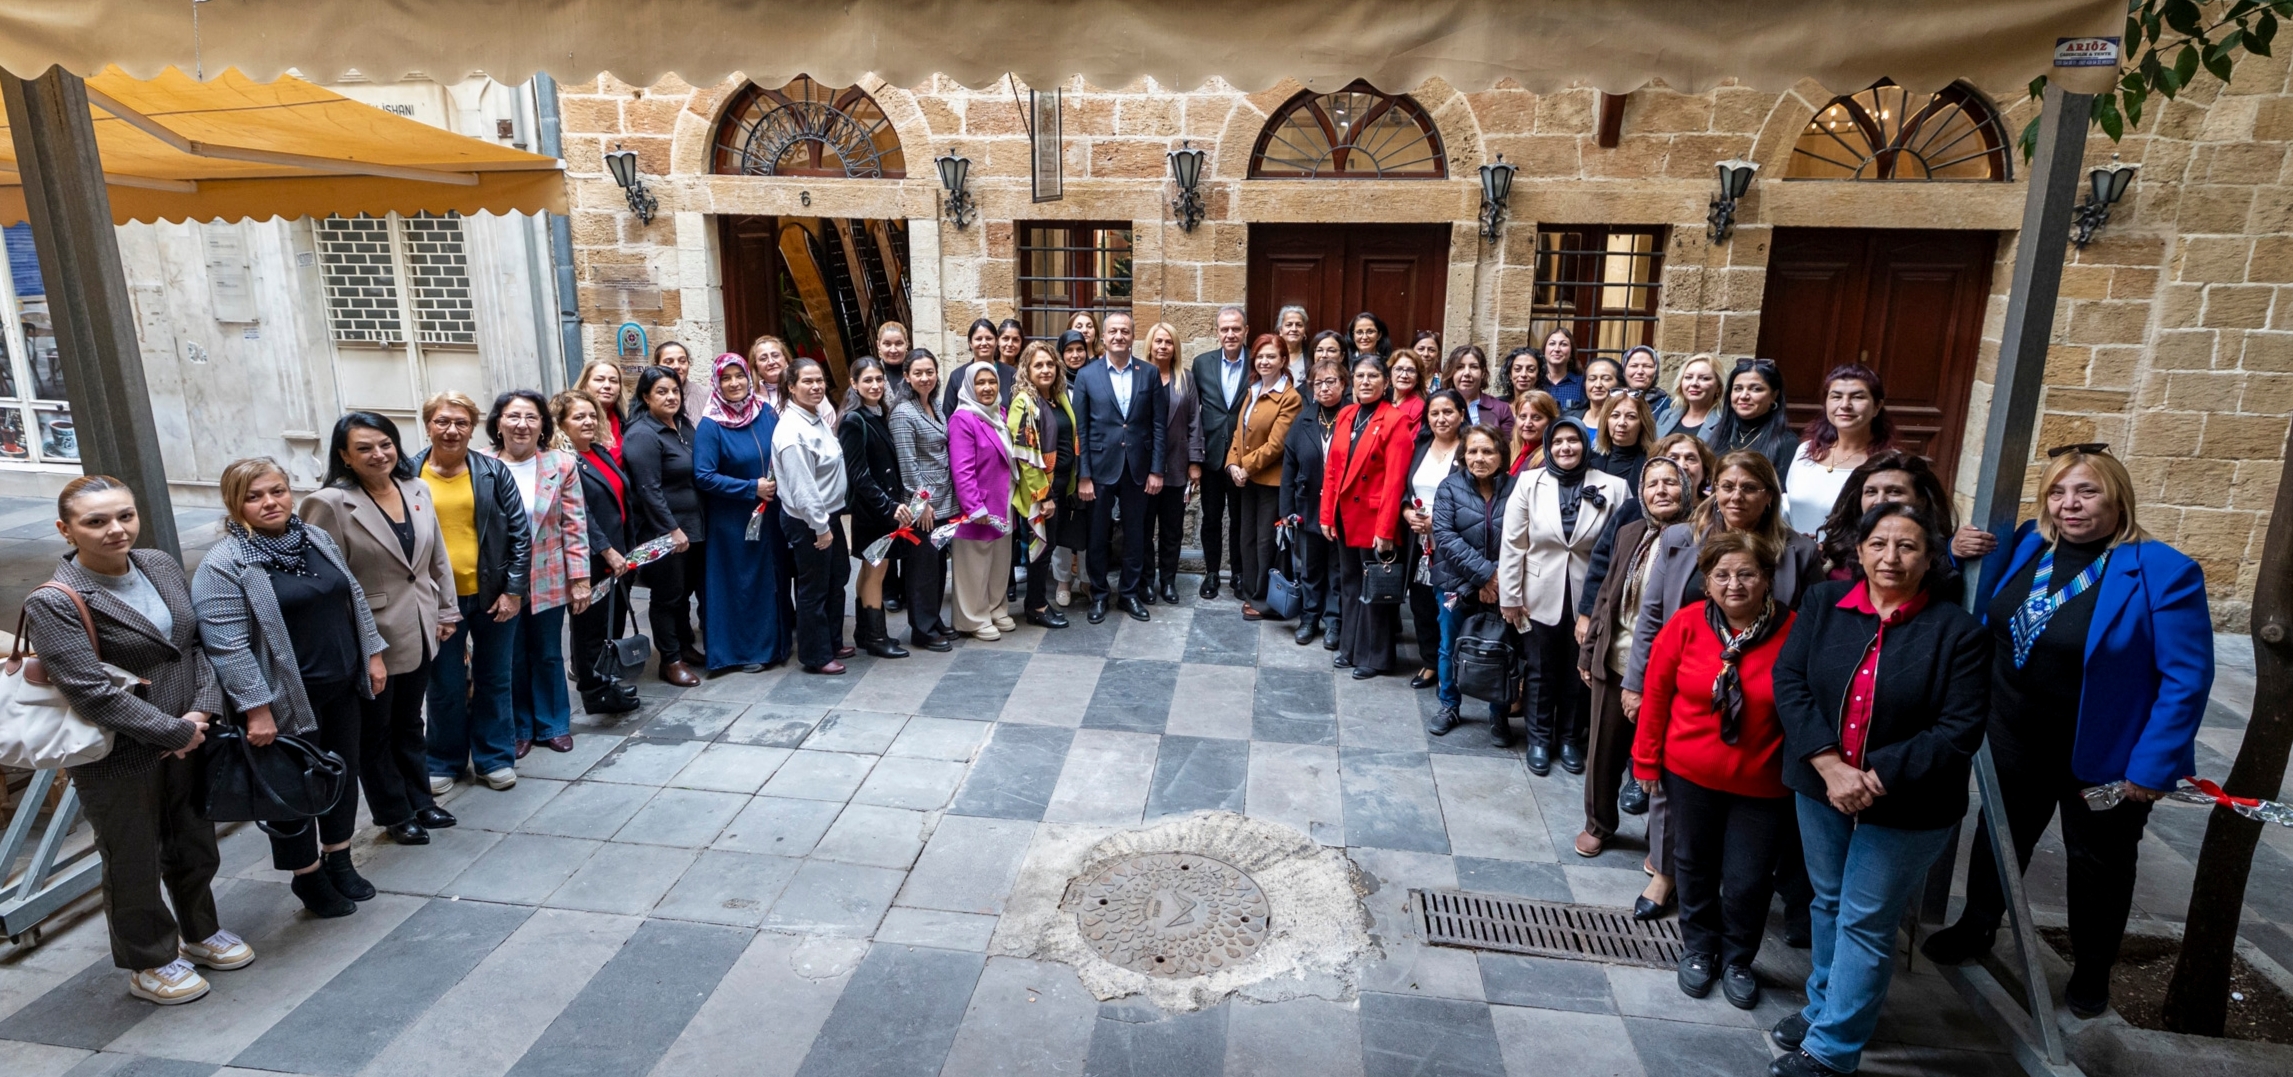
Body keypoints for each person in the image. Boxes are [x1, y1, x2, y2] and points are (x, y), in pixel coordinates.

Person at [1921, 446, 2213, 1019]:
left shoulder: (2163, 571)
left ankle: (2091, 968)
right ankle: (1978, 925)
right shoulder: (2032, 541)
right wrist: (1954, 554)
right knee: (2000, 837)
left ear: (2118, 497)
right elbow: (1983, 604)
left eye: (2086, 492)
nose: (2070, 504)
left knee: (2099, 863)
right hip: (2012, 733)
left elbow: (2186, 678)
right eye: (2058, 492)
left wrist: (2153, 768)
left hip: (2102, 754)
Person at [1769, 504, 1990, 1077]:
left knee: (1865, 919)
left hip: (1910, 803)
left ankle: (1832, 1050)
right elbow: (1789, 683)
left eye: (1908, 546)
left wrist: (1871, 777)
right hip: (1822, 787)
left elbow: (1958, 729)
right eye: (1880, 544)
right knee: (1829, 903)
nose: (1891, 557)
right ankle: (1825, 1009)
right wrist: (1829, 767)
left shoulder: (1958, 633)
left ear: (1932, 556)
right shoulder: (1822, 605)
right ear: (1860, 551)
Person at [31, 476, 238, 1004]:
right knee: (132, 858)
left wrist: (202, 712)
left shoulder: (158, 564)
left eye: (124, 516)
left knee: (194, 840)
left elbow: (194, 647)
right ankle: (149, 961)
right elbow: (90, 691)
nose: (115, 530)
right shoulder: (54, 601)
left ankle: (199, 931)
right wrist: (172, 731)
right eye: (96, 521)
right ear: (66, 529)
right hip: (117, 753)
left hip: (189, 732)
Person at [1624, 449, 1823, 941]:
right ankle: (1666, 878)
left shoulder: (1797, 551)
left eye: (1750, 487)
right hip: (1688, 685)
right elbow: (1653, 616)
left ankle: (1738, 940)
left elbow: (1810, 632)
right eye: (1727, 486)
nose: (1736, 496)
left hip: (1762, 706)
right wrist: (1635, 681)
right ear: (1713, 488)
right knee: (1680, 809)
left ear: (1769, 495)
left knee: (1745, 856)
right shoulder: (1679, 538)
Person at [194, 458, 389, 919]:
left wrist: (373, 654)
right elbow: (227, 647)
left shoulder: (313, 537)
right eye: (254, 496)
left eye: (277, 491)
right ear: (234, 503)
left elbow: (352, 595)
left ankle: (340, 858)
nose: (270, 503)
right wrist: (256, 709)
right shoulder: (224, 564)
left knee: (342, 773)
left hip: (341, 686)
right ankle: (307, 875)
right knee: (292, 789)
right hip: (283, 702)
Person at [1633, 532, 1796, 1009]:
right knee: (1694, 865)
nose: (1734, 585)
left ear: (1767, 578)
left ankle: (1739, 958)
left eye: (1747, 574)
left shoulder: (1794, 631)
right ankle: (1700, 948)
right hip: (1690, 774)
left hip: (1762, 782)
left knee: (1748, 877)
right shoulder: (1685, 625)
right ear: (1706, 582)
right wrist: (1645, 761)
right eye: (1722, 575)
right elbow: (1656, 696)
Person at [300, 413, 460, 845]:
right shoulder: (329, 503)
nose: (379, 454)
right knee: (377, 729)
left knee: (410, 721)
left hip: (422, 624)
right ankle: (394, 811)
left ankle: (421, 799)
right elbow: (324, 581)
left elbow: (436, 559)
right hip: (371, 633)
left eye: (386, 444)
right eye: (365, 448)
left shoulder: (417, 488)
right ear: (344, 456)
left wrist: (447, 611)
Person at [1574, 458, 1697, 902]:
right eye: (1651, 484)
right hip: (1617, 654)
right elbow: (1606, 594)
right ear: (1640, 492)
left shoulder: (1700, 541)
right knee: (1602, 751)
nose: (1660, 491)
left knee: (1660, 763)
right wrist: (1589, 651)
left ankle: (1660, 844)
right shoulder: (1630, 533)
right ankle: (1598, 823)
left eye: (1670, 483)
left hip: (1669, 670)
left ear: (1688, 488)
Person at [1499, 418, 1631, 775]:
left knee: (1580, 670)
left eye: (1574, 440)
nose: (1566, 448)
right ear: (1548, 446)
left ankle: (1570, 738)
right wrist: (1509, 596)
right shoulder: (1529, 482)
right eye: (1558, 442)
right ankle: (1539, 739)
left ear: (1585, 445)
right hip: (1537, 593)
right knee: (1540, 670)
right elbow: (1513, 542)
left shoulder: (1615, 487)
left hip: (1590, 597)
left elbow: (1623, 548)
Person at [412, 392, 530, 790]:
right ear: (428, 424)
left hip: (491, 594)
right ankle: (443, 760)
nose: (452, 430)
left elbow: (519, 534)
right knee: (443, 682)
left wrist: (513, 590)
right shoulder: (408, 475)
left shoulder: (492, 473)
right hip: (435, 600)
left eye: (461, 423)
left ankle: (494, 757)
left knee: (495, 677)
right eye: (443, 421)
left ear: (473, 427)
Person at [483, 390, 591, 758]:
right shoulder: (480, 464)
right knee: (510, 655)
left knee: (547, 652)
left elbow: (574, 525)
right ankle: (520, 727)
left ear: (543, 424)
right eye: (513, 416)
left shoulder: (560, 465)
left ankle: (553, 724)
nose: (522, 425)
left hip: (548, 574)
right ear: (498, 422)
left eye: (531, 417)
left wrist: (580, 580)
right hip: (499, 582)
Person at [1321, 356, 1417, 678]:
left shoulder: (1396, 420)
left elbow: (1395, 480)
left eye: (1373, 375)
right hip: (1344, 515)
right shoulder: (1347, 414)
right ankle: (1349, 648)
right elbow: (1333, 470)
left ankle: (1376, 657)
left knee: (1373, 588)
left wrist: (1386, 529)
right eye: (1360, 375)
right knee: (1349, 585)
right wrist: (1326, 515)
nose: (1365, 381)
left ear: (1385, 382)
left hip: (1375, 518)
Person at [1071, 311, 1167, 624]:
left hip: (1138, 468)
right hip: (1098, 469)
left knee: (1136, 535)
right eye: (1113, 331)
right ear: (1104, 337)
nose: (1118, 336)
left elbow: (1158, 426)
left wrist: (1156, 470)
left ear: (1132, 336)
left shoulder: (1149, 373)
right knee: (1097, 535)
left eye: (1124, 331)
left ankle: (1128, 594)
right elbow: (1081, 430)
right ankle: (1099, 595)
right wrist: (1083, 475)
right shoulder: (1088, 375)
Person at [1428, 425, 1515, 738]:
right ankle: (1449, 704)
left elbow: (1522, 538)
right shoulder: (1449, 488)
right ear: (1463, 455)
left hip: (1503, 586)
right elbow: (1446, 538)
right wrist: (1485, 575)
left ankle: (1499, 714)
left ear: (1501, 455)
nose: (1480, 458)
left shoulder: (1517, 489)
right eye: (1473, 451)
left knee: (1502, 646)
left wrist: (1497, 579)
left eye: (1488, 451)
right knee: (1449, 642)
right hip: (1454, 587)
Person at [556, 390, 639, 714]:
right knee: (589, 629)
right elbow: (579, 514)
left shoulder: (598, 452)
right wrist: (606, 551)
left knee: (610, 624)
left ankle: (608, 681)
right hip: (590, 560)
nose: (588, 421)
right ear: (561, 424)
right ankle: (594, 691)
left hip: (618, 555)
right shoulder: (566, 462)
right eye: (579, 416)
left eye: (592, 415)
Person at [622, 367, 706, 684]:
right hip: (664, 532)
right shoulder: (643, 434)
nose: (671, 397)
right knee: (667, 596)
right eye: (661, 391)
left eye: (674, 391)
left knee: (683, 593)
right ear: (645, 397)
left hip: (692, 526)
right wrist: (671, 529)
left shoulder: (682, 425)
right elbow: (648, 489)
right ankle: (669, 661)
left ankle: (683, 646)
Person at [774, 357, 854, 672]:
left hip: (828, 515)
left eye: (819, 380)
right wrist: (821, 527)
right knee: (814, 588)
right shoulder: (792, 431)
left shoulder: (815, 415)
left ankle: (832, 641)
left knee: (837, 578)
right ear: (791, 387)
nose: (816, 386)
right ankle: (816, 655)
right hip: (809, 522)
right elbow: (802, 488)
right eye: (807, 381)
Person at [840, 355, 915, 656]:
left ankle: (864, 630)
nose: (874, 385)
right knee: (876, 571)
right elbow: (858, 474)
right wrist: (889, 506)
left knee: (873, 570)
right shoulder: (853, 420)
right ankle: (876, 637)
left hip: (881, 509)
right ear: (853, 384)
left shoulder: (878, 413)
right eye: (867, 380)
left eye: (879, 379)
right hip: (873, 512)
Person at [1225, 333, 1302, 620]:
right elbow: (1238, 433)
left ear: (1283, 360)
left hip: (1271, 483)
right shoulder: (1253, 389)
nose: (1265, 361)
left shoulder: (1290, 398)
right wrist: (1232, 465)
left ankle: (1264, 600)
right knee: (1246, 538)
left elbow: (1276, 445)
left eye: (1272, 356)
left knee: (1265, 542)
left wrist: (1244, 467)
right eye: (1260, 356)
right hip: (1246, 481)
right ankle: (1250, 591)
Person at [890, 350, 957, 651]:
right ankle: (922, 629)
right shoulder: (903, 412)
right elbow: (907, 464)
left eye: (930, 371)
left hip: (944, 499)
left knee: (938, 564)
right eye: (918, 373)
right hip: (923, 505)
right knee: (921, 568)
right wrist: (922, 503)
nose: (925, 377)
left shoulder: (935, 405)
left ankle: (934, 619)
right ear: (906, 376)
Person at [947, 360, 1018, 639]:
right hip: (978, 506)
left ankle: (996, 608)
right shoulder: (963, 418)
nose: (987, 387)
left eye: (992, 382)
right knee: (973, 566)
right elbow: (961, 469)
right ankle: (972, 618)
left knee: (999, 562)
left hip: (1003, 501)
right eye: (980, 382)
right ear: (969, 386)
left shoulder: (999, 413)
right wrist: (974, 507)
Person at [1009, 342, 1076, 630]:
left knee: (1046, 549)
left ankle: (1037, 602)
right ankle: (1035, 606)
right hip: (1042, 491)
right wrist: (1044, 495)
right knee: (1040, 549)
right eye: (1038, 365)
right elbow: (1026, 456)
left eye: (1050, 364)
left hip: (1060, 486)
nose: (1046, 369)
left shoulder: (1057, 397)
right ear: (1027, 369)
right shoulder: (1025, 402)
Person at [1402, 389, 1467, 685]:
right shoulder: (1419, 445)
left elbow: (1476, 498)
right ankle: (1430, 661)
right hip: (1419, 543)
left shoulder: (1469, 449)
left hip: (1455, 543)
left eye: (1448, 412)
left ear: (1462, 414)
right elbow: (1405, 487)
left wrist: (1437, 523)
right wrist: (1406, 512)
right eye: (1435, 413)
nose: (1441, 418)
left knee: (1451, 608)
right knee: (1421, 604)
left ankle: (1453, 667)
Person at [1283, 358, 1347, 648]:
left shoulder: (1351, 417)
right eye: (1318, 383)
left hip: (1341, 511)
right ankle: (1309, 617)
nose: (1324, 387)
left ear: (1344, 384)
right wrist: (1286, 511)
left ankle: (1334, 622)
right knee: (1309, 566)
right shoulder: (1304, 419)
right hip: (1308, 507)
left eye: (1330, 381)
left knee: (1337, 568)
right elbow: (1289, 467)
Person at [1785, 365, 1892, 537]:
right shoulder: (1805, 452)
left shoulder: (1887, 464)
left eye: (1857, 397)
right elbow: (1788, 508)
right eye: (1836, 396)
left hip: (1849, 560)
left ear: (1877, 406)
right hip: (1798, 557)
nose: (1845, 405)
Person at [1192, 305, 1252, 601]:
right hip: (1213, 456)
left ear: (1245, 331)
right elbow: (1194, 413)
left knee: (1241, 520)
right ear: (1217, 332)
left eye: (1236, 328)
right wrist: (1194, 458)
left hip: (1245, 458)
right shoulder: (1202, 363)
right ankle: (1212, 573)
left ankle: (1239, 575)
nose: (1230, 334)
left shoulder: (1258, 361)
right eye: (1224, 329)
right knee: (1211, 518)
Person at [1146, 321, 1197, 606]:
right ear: (1150, 346)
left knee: (1172, 530)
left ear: (1175, 347)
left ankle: (1168, 581)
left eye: (1168, 342)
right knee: (1142, 530)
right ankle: (1146, 581)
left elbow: (1194, 423)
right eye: (1158, 341)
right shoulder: (1140, 376)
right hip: (1144, 470)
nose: (1163, 346)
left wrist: (1195, 462)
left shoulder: (1186, 379)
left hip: (1177, 467)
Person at [1703, 358, 1799, 480]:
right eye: (1738, 388)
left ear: (1774, 395)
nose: (1743, 396)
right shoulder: (1717, 432)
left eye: (1756, 389)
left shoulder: (1785, 442)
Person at [1441, 344, 1514, 444]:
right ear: (1451, 372)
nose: (1466, 373)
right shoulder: (1438, 406)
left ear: (1483, 373)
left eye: (1474, 367)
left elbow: (1507, 449)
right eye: (1460, 367)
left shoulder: (1501, 409)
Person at [1590, 393, 1658, 491]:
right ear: (1605, 420)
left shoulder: (1654, 463)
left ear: (1643, 423)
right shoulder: (1590, 460)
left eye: (1631, 416)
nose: (1622, 422)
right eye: (1615, 415)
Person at [1657, 354, 1722, 440]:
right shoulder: (1666, 416)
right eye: (1688, 377)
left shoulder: (1723, 423)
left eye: (1704, 378)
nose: (1694, 383)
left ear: (1718, 387)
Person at [577, 359, 629, 465]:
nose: (607, 386)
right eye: (599, 379)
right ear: (584, 385)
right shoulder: (571, 421)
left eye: (613, 381)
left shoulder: (627, 421)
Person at [1534, 327, 1587, 416]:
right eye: (1552, 344)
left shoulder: (1582, 383)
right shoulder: (1535, 382)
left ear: (1571, 352)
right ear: (1544, 350)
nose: (1557, 349)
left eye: (1563, 344)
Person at [1654, 431, 1719, 499]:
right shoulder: (1650, 506)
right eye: (1673, 459)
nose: (1682, 466)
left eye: (1691, 459)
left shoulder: (1716, 508)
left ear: (1705, 471)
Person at [1622, 344, 1672, 429]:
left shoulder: (1666, 404)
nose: (1640, 371)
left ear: (1656, 371)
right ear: (1624, 369)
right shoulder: (1614, 399)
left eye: (1647, 366)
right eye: (1634, 366)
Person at [652, 339, 702, 425]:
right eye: (669, 362)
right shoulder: (650, 396)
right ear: (656, 365)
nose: (676, 366)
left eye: (682, 361)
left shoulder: (706, 395)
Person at [1510, 390, 1559, 475]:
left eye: (1536, 417)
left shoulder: (1552, 458)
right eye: (1522, 417)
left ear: (1551, 421)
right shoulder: (1511, 450)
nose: (1527, 423)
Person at [1387, 348, 1429, 425]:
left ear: (1418, 378)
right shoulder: (1382, 399)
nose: (1404, 375)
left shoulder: (1419, 408)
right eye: (1398, 369)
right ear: (1390, 374)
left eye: (1411, 370)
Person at [1277, 304, 1311, 383]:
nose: (1294, 329)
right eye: (1289, 325)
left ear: (1304, 331)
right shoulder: (1272, 355)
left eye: (1299, 325)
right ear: (1280, 330)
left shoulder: (1312, 357)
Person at [874, 319, 912, 389]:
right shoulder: (870, 375)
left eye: (898, 343)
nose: (893, 350)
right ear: (878, 345)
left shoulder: (918, 373)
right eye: (887, 344)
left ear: (906, 344)